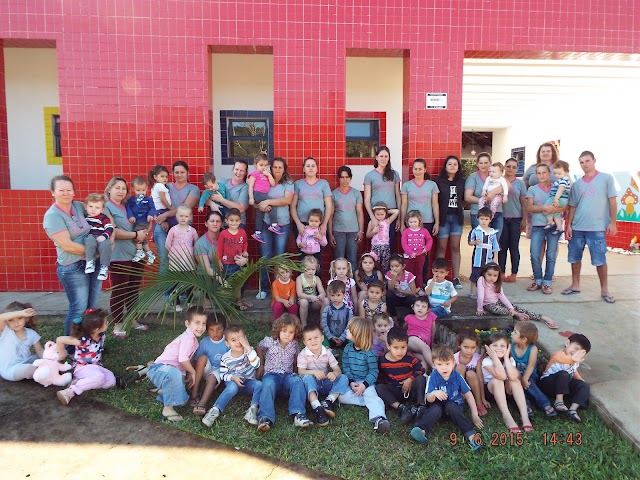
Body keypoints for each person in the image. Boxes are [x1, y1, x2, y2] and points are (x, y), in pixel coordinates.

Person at [43, 176, 103, 351]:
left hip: (92, 262)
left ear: (74, 192)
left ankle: (88, 346)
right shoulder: (52, 216)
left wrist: (108, 234)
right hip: (72, 267)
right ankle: (70, 349)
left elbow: (100, 217)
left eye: (69, 190)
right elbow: (67, 245)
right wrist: (97, 250)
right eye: (61, 190)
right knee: (78, 308)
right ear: (53, 193)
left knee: (91, 309)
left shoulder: (78, 206)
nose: (66, 193)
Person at [563, 151, 618, 303]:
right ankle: (575, 285)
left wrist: (613, 222)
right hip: (578, 227)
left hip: (597, 228)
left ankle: (605, 290)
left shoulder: (606, 178)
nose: (585, 164)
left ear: (594, 160)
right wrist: (569, 225)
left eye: (587, 161)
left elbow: (613, 202)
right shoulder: (577, 184)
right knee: (574, 258)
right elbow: (572, 206)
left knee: (600, 260)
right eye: (581, 162)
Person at [410, 344, 483, 450]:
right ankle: (421, 430)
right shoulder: (433, 377)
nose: (444, 368)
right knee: (434, 409)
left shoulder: (457, 376)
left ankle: (471, 435)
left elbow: (468, 395)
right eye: (439, 364)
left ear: (453, 363)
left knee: (451, 406)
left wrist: (475, 415)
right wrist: (434, 393)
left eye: (447, 364)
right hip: (437, 406)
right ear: (434, 364)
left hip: (453, 407)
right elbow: (428, 398)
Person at [104, 176, 148, 338]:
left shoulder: (128, 206)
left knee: (133, 290)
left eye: (123, 188)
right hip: (119, 255)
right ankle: (117, 323)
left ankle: (132, 319)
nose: (121, 191)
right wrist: (136, 234)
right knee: (119, 290)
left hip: (136, 253)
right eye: (117, 188)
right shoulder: (107, 208)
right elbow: (112, 231)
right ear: (109, 189)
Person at [146, 307, 207, 422]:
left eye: (204, 323)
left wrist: (188, 372)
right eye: (197, 323)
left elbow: (186, 361)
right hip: (159, 369)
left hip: (169, 373)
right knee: (174, 373)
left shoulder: (193, 340)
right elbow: (183, 359)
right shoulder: (188, 338)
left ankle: (163, 390)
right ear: (187, 324)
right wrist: (193, 372)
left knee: (182, 400)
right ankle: (167, 409)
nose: (201, 327)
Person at [255, 313, 311, 431]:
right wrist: (261, 364)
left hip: (287, 376)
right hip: (272, 375)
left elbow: (296, 357)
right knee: (268, 384)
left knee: (297, 381)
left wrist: (297, 369)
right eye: (284, 331)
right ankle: (265, 417)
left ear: (295, 333)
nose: (287, 334)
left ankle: (298, 414)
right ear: (278, 329)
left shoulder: (294, 344)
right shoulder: (269, 341)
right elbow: (259, 347)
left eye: (291, 332)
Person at [55, 308, 121, 406]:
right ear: (96, 329)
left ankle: (80, 382)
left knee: (111, 381)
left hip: (96, 367)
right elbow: (60, 339)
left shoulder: (101, 336)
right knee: (100, 377)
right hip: (82, 368)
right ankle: (70, 391)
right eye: (105, 322)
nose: (108, 323)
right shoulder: (83, 340)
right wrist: (62, 354)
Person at [338, 317, 391, 434]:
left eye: (349, 330)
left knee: (371, 395)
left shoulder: (369, 352)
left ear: (357, 335)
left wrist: (364, 385)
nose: (346, 331)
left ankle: (379, 419)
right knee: (341, 397)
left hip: (367, 383)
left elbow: (373, 372)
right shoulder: (347, 349)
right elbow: (346, 368)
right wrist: (351, 382)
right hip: (352, 382)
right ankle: (368, 401)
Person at [202, 325, 262, 427]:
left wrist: (247, 347)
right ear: (227, 343)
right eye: (233, 340)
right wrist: (233, 378)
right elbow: (223, 375)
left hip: (248, 382)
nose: (238, 342)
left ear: (245, 339)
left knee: (259, 385)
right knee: (232, 387)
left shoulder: (249, 351)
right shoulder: (226, 358)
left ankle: (253, 410)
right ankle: (215, 410)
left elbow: (257, 364)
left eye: (240, 339)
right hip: (233, 383)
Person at [255, 157, 295, 300]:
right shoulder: (264, 180)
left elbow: (287, 200)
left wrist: (268, 201)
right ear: (270, 168)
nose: (277, 170)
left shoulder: (288, 183)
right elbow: (256, 199)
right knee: (265, 256)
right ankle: (264, 288)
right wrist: (260, 204)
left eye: (280, 167)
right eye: (275, 167)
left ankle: (279, 289)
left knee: (279, 256)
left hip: (282, 224)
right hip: (265, 224)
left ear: (284, 169)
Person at [476, 263, 558, 329]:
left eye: (495, 276)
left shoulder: (497, 283)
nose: (492, 278)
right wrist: (480, 308)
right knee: (499, 310)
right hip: (488, 304)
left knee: (516, 308)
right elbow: (480, 296)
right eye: (489, 275)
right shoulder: (482, 280)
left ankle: (542, 317)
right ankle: (516, 314)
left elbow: (502, 296)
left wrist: (511, 307)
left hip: (498, 301)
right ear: (484, 273)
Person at [298, 324, 349, 426]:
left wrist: (334, 374)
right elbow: (301, 371)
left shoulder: (328, 352)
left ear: (322, 338)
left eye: (316, 337)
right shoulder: (303, 354)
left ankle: (328, 401)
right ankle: (317, 407)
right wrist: (314, 372)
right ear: (304, 342)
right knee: (307, 378)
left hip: (325, 381)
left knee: (343, 378)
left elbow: (337, 370)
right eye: (309, 339)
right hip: (311, 384)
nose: (313, 341)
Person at [526, 164, 566, 295]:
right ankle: (537, 280)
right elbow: (529, 207)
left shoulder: (557, 187)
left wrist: (555, 209)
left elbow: (565, 205)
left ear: (549, 174)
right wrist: (544, 207)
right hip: (538, 226)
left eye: (544, 172)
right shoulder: (532, 189)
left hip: (553, 226)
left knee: (551, 255)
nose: (542, 175)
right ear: (536, 175)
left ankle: (547, 282)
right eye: (539, 173)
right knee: (535, 254)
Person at [154, 161, 201, 274]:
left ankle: (181, 291)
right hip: (163, 227)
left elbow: (186, 207)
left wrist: (165, 215)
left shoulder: (193, 189)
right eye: (176, 172)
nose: (179, 175)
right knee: (165, 259)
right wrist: (161, 219)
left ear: (187, 173)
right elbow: (155, 204)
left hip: (183, 229)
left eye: (182, 172)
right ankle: (166, 291)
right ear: (173, 173)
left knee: (182, 260)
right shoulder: (166, 187)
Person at [481, 332, 533, 433]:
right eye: (494, 345)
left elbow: (513, 376)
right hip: (492, 392)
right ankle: (507, 417)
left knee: (515, 381)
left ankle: (525, 417)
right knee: (497, 380)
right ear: (488, 348)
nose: (499, 348)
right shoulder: (486, 361)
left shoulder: (510, 360)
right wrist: (495, 358)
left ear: (508, 348)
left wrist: (506, 358)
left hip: (507, 391)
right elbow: (502, 376)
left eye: (502, 346)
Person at [375, 327, 427, 425]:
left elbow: (421, 369)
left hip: (410, 390)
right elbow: (380, 376)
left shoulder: (409, 358)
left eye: (403, 347)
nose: (400, 351)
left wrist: (410, 379)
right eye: (396, 347)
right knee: (379, 387)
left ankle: (421, 407)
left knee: (421, 379)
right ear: (388, 346)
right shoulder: (382, 359)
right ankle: (401, 408)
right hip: (395, 390)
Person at [540, 333, 591, 423]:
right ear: (567, 343)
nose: (576, 353)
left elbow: (574, 371)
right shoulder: (558, 354)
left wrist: (579, 379)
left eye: (580, 352)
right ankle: (559, 401)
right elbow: (562, 359)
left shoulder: (575, 361)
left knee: (584, 385)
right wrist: (573, 359)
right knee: (563, 374)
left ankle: (573, 409)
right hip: (548, 384)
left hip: (563, 386)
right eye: (576, 348)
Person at [511, 322, 557, 417]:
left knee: (529, 383)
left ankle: (544, 403)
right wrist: (519, 378)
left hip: (530, 375)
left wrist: (524, 379)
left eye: (515, 332)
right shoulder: (511, 347)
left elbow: (531, 366)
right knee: (517, 386)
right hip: (516, 376)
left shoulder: (533, 349)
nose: (511, 333)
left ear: (523, 339)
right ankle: (525, 405)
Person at [434, 155, 465, 289]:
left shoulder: (462, 182)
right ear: (445, 166)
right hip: (443, 219)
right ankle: (439, 277)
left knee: (455, 247)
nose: (452, 166)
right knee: (441, 248)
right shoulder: (438, 181)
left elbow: (465, 199)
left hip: (457, 218)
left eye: (455, 164)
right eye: (449, 164)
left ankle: (456, 277)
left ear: (458, 167)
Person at [190, 314, 229, 416]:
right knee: (202, 357)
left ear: (224, 329)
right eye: (211, 330)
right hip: (208, 368)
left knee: (212, 377)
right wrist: (190, 373)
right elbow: (197, 361)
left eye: (219, 329)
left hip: (222, 369)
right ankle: (194, 391)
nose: (215, 333)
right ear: (207, 330)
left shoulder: (228, 341)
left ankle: (202, 402)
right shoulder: (204, 342)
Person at [364, 146, 402, 250]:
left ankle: (388, 266)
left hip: (391, 214)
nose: (383, 159)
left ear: (389, 158)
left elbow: (398, 196)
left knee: (389, 245)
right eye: (381, 156)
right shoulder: (370, 175)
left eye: (386, 156)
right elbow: (367, 199)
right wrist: (372, 217)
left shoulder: (394, 174)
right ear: (376, 157)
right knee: (376, 245)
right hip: (376, 214)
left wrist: (399, 218)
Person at [329, 166, 365, 270]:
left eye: (347, 177)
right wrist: (330, 234)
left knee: (352, 260)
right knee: (339, 259)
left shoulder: (356, 193)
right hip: (338, 231)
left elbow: (359, 212)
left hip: (353, 231)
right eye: (342, 177)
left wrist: (361, 231)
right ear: (338, 178)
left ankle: (352, 284)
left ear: (351, 178)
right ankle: (338, 284)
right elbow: (330, 215)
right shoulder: (334, 194)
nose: (345, 180)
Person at [498, 158, 527, 282]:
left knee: (514, 247)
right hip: (501, 218)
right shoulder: (498, 180)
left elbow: (524, 203)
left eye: (514, 167)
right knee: (502, 247)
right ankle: (501, 272)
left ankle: (514, 273)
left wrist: (524, 219)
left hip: (516, 219)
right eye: (508, 166)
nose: (511, 169)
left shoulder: (520, 184)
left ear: (517, 169)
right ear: (504, 167)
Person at [465, 152, 505, 239]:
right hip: (479, 215)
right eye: (481, 163)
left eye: (486, 163)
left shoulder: (497, 175)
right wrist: (483, 200)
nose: (484, 165)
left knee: (495, 242)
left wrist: (492, 193)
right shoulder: (473, 177)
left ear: (490, 163)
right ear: (477, 164)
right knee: (481, 242)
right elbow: (467, 197)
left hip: (496, 213)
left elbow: (507, 186)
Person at [290, 157, 333, 239]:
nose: (310, 168)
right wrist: (298, 224)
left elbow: (329, 206)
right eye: (308, 166)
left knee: (317, 250)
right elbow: (292, 206)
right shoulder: (297, 184)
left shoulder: (323, 184)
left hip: (318, 224)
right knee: (302, 249)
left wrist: (324, 224)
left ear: (317, 169)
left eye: (313, 166)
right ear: (304, 169)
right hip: (302, 224)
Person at [0, 302, 42, 381]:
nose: (16, 323)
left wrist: (48, 360)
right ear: (6, 321)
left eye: (20, 318)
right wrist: (21, 313)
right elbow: (1, 318)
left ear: (26, 318)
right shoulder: (5, 332)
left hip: (25, 361)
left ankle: (46, 370)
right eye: (11, 320)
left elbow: (39, 350)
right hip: (10, 369)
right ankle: (43, 373)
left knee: (40, 359)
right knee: (29, 369)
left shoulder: (31, 333)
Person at [216, 208, 249, 309]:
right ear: (226, 221)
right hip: (227, 263)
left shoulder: (242, 232)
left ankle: (238, 302)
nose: (234, 223)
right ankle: (229, 303)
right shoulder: (223, 233)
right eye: (231, 220)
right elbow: (220, 247)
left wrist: (245, 251)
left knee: (238, 283)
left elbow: (245, 242)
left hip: (238, 262)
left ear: (240, 221)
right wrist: (219, 261)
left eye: (236, 220)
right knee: (228, 283)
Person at [248, 153, 281, 244]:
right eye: (261, 165)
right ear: (255, 165)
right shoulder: (254, 174)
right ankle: (274, 224)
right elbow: (250, 186)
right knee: (272, 202)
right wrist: (251, 198)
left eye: (265, 165)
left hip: (262, 195)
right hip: (258, 194)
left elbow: (273, 184)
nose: (263, 167)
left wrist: (269, 175)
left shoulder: (267, 174)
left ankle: (257, 232)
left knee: (260, 214)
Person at [467, 207, 499, 299]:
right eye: (481, 219)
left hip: (488, 258)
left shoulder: (493, 232)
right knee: (475, 275)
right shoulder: (475, 231)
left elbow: (495, 246)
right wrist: (475, 242)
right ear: (477, 219)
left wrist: (495, 258)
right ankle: (473, 293)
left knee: (487, 276)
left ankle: (486, 293)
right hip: (477, 257)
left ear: (490, 219)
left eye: (486, 219)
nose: (484, 221)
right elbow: (469, 242)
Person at [454, 330, 488, 416]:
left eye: (473, 347)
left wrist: (483, 398)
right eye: (466, 347)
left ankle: (478, 403)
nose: (469, 351)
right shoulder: (454, 358)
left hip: (472, 387)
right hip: (458, 387)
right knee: (461, 367)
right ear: (459, 345)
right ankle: (458, 398)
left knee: (471, 373)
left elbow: (480, 378)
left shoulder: (477, 359)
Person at [400, 209, 433, 293]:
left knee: (419, 272)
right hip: (409, 257)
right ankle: (409, 288)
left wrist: (425, 248)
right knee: (408, 273)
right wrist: (410, 253)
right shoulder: (406, 232)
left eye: (415, 221)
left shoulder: (424, 231)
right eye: (411, 222)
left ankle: (419, 288)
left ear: (419, 221)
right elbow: (404, 243)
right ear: (407, 222)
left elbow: (429, 240)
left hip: (420, 256)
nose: (413, 224)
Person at [83, 193, 113, 281]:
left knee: (106, 246)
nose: (93, 210)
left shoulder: (103, 218)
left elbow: (109, 227)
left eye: (97, 207)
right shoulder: (85, 218)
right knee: (89, 241)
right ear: (86, 207)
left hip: (102, 236)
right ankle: (90, 262)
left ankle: (104, 267)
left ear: (102, 209)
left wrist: (105, 236)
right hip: (91, 236)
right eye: (91, 206)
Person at [209, 160, 249, 228]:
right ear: (233, 170)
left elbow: (241, 208)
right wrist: (211, 204)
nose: (238, 172)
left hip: (237, 224)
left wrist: (221, 200)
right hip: (219, 223)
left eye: (241, 170)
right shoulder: (222, 181)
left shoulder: (245, 187)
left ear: (246, 173)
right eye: (236, 169)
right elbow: (205, 193)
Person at [125, 176, 156, 264]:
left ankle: (139, 251)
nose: (141, 192)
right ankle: (149, 253)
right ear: (133, 189)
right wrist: (130, 216)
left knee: (138, 233)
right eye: (138, 190)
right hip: (136, 220)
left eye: (143, 190)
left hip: (144, 220)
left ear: (146, 189)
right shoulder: (131, 200)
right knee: (143, 237)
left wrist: (150, 215)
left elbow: (152, 208)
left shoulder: (148, 199)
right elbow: (128, 208)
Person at [366, 202, 399, 275]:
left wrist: (386, 211)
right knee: (375, 264)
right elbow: (367, 235)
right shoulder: (372, 222)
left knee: (385, 265)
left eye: (382, 214)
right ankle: (375, 279)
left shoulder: (387, 221)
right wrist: (373, 232)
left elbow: (397, 211)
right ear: (374, 214)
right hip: (375, 247)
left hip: (385, 247)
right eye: (377, 214)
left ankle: (384, 281)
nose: (380, 216)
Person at [295, 255, 329, 327]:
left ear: (316, 269)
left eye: (313, 269)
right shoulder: (300, 278)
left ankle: (322, 323)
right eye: (308, 269)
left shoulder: (316, 278)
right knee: (304, 302)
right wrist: (310, 297)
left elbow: (322, 292)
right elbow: (299, 294)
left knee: (326, 300)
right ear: (303, 268)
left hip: (313, 301)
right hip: (302, 300)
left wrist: (321, 296)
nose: (311, 272)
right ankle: (303, 324)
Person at [404, 297, 436, 370]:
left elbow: (433, 330)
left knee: (424, 360)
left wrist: (431, 343)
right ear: (413, 307)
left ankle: (423, 376)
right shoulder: (409, 317)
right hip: (412, 339)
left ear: (428, 310)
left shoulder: (430, 316)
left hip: (423, 346)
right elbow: (404, 329)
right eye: (417, 306)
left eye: (423, 306)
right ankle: (435, 367)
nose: (420, 308)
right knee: (425, 347)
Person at [385, 253, 418, 324]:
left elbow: (414, 292)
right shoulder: (389, 274)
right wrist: (393, 277)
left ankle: (411, 319)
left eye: (397, 266)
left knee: (414, 299)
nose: (394, 268)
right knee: (388, 294)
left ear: (403, 266)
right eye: (392, 266)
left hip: (406, 298)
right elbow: (390, 289)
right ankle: (394, 317)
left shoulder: (409, 275)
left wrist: (401, 291)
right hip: (396, 298)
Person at [321, 281, 353, 349]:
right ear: (329, 295)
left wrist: (342, 338)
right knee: (321, 336)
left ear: (344, 295)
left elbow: (349, 325)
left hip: (345, 336)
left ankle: (348, 350)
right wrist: (331, 336)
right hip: (330, 336)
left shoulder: (348, 310)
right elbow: (324, 324)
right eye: (332, 295)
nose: (335, 298)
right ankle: (328, 350)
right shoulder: (327, 309)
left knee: (353, 337)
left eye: (338, 295)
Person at [543, 160, 571, 233]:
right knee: (556, 214)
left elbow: (561, 190)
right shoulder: (561, 179)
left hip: (559, 199)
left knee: (547, 206)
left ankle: (550, 222)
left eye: (559, 173)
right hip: (562, 200)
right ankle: (559, 228)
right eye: (555, 173)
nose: (557, 175)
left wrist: (555, 199)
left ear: (566, 172)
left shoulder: (563, 180)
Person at [194, 211, 224, 278]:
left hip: (224, 275)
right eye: (212, 221)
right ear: (206, 224)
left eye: (218, 221)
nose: (215, 224)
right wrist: (224, 283)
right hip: (205, 279)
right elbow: (208, 269)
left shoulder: (227, 240)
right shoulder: (200, 243)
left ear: (222, 224)